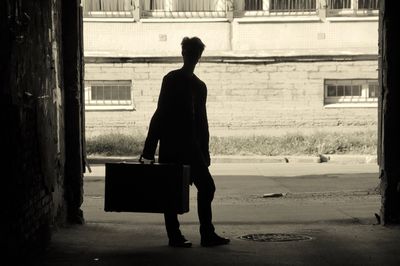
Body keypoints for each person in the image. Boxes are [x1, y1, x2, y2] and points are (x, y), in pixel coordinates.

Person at [141, 36, 230, 248]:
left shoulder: (200, 86)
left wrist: (204, 151)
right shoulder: (171, 79)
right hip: (173, 145)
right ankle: (175, 236)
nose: (192, 57)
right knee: (172, 192)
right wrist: (149, 149)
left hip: (191, 147)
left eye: (195, 54)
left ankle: (206, 234)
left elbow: (202, 121)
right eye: (190, 53)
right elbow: (160, 113)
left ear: (198, 56)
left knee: (207, 187)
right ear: (184, 54)